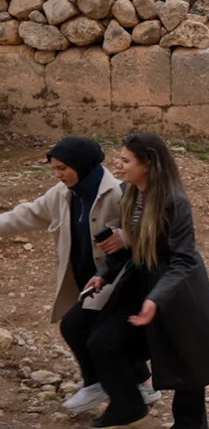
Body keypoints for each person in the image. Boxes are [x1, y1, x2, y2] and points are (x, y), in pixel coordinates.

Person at [0, 137, 159, 418]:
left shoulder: (120, 193)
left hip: (120, 281)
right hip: (88, 280)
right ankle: (134, 385)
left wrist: (125, 237)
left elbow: (151, 230)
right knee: (94, 331)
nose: (57, 174)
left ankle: (105, 385)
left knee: (82, 328)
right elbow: (28, 214)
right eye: (54, 168)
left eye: (62, 168)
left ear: (82, 164)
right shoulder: (63, 194)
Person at [86, 133, 209, 428]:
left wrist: (157, 297)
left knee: (188, 368)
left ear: (148, 164)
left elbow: (184, 259)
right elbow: (131, 244)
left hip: (178, 292)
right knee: (104, 342)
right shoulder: (130, 192)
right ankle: (128, 405)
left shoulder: (174, 202)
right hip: (142, 283)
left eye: (126, 160)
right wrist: (104, 273)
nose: (119, 165)